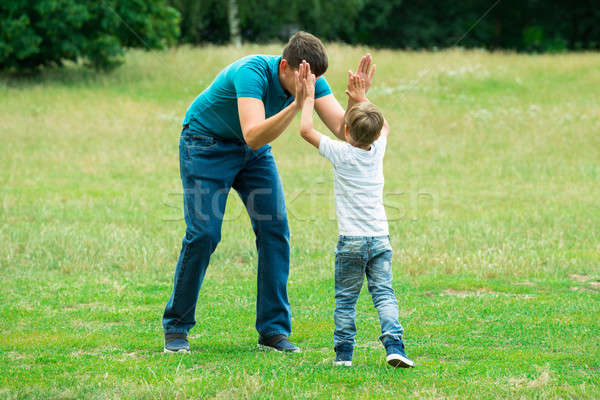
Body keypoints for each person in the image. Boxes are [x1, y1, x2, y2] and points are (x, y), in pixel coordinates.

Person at [162, 31, 377, 354]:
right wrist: (297, 105)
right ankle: (176, 327)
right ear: (286, 67)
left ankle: (273, 331)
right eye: (304, 77)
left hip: (253, 156)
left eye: (315, 79)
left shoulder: (310, 80)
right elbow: (253, 134)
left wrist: (358, 101)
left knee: (275, 230)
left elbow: (345, 132)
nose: (310, 84)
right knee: (204, 234)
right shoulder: (251, 72)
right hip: (206, 144)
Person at [297, 70, 415, 368]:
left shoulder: (340, 152)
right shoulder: (378, 149)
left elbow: (306, 131)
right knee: (384, 294)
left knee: (346, 299)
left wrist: (309, 98)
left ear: (346, 131)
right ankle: (395, 346)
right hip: (379, 239)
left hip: (351, 241)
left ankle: (344, 356)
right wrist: (362, 98)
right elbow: (385, 126)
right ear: (375, 135)